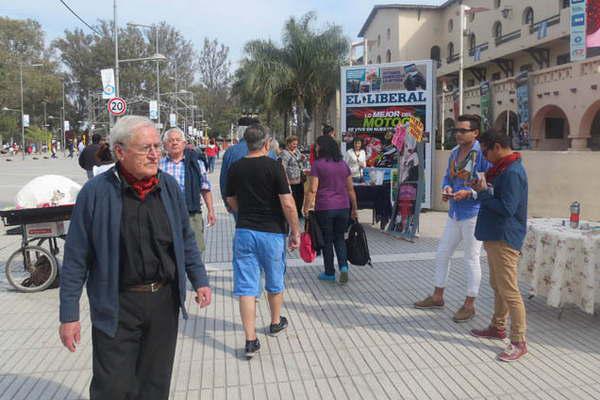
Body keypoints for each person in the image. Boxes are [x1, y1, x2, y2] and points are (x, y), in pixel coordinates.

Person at [58, 116, 212, 399]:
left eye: (157, 146)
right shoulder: (95, 193)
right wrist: (69, 316)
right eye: (146, 148)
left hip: (163, 302)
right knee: (113, 386)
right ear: (120, 152)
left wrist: (199, 279)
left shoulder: (167, 188)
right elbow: (76, 258)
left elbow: (185, 238)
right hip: (117, 304)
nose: (155, 154)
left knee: (155, 384)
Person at [225, 124, 300, 359]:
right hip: (272, 232)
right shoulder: (274, 167)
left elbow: (230, 199)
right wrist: (295, 231)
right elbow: (288, 203)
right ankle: (275, 322)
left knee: (247, 286)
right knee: (274, 279)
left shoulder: (236, 168)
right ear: (267, 143)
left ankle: (250, 340)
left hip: (245, 231)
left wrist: (243, 214)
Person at [414, 114, 490, 322]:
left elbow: (489, 185)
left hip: (473, 213)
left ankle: (470, 303)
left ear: (475, 133)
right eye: (456, 130)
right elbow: (448, 176)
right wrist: (446, 187)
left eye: (463, 130)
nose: (457, 134)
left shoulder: (482, 155)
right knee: (442, 253)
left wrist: (470, 194)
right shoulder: (455, 152)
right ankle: (438, 296)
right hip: (454, 212)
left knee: (471, 258)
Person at [470, 129, 529, 362]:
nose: (485, 156)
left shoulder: (512, 172)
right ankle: (498, 326)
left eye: (486, 151)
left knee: (510, 290)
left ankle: (519, 341)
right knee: (498, 285)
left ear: (497, 147)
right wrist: (481, 189)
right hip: (495, 234)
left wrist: (484, 193)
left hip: (505, 237)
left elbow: (507, 208)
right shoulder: (502, 169)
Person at [303, 135, 358, 284]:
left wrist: (306, 207)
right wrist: (355, 208)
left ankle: (329, 272)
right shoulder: (342, 164)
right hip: (343, 207)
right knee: (339, 238)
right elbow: (350, 189)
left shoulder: (318, 165)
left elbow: (313, 189)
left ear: (323, 147)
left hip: (325, 207)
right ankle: (344, 267)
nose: (316, 147)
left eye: (317, 145)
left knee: (327, 240)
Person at [160, 127, 217, 255]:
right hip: (166, 214)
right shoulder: (159, 165)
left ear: (184, 144)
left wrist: (211, 211)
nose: (174, 143)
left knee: (194, 251)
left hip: (191, 213)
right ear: (165, 145)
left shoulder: (196, 164)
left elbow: (205, 189)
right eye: (170, 140)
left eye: (178, 140)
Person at [280, 136, 305, 218]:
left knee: (300, 196)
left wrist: (302, 159)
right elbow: (283, 166)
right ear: (288, 144)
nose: (295, 146)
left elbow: (298, 161)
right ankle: (293, 213)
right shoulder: (285, 153)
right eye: (293, 144)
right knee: (293, 197)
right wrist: (286, 179)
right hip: (291, 180)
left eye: (296, 144)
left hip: (299, 179)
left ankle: (299, 211)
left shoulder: (297, 151)